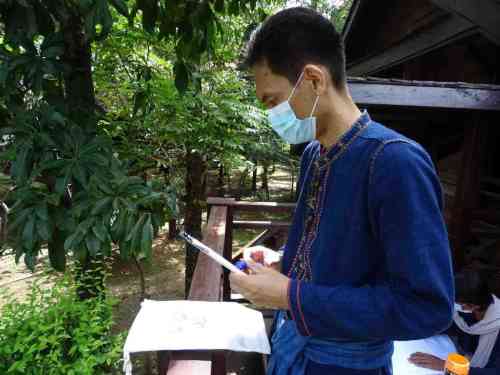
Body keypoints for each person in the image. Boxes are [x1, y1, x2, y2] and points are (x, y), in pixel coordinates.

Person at [229, 7, 454, 375]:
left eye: (272, 101)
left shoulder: (395, 162)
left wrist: (289, 294)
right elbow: (336, 252)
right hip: (296, 347)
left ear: (314, 80)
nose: (271, 115)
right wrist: (283, 262)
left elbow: (426, 306)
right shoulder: (314, 156)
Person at [410, 269, 500, 374]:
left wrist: (445, 365)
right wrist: (417, 327)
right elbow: (446, 324)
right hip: (460, 354)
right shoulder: (468, 311)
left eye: (456, 302)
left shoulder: (496, 325)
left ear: (471, 306)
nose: (453, 305)